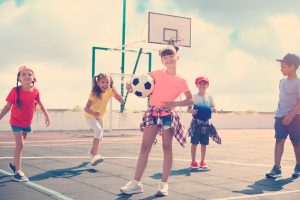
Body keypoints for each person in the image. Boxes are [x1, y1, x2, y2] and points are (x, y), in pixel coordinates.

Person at [120, 45, 193, 196]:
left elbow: (190, 100)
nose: (168, 59)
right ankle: (136, 183)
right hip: (153, 112)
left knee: (167, 147)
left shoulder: (182, 81)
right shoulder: (155, 74)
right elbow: (137, 81)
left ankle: (164, 184)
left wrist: (175, 104)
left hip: (167, 115)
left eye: (170, 56)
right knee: (145, 147)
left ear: (177, 57)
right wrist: (130, 85)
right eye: (164, 57)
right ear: (161, 60)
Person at [0, 66, 50, 182]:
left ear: (33, 78)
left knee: (21, 146)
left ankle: (13, 164)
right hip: (16, 122)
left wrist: (47, 115)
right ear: (19, 79)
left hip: (27, 123)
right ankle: (18, 172)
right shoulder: (15, 90)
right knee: (20, 145)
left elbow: (40, 103)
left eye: (29, 74)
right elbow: (7, 106)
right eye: (23, 74)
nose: (27, 76)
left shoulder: (35, 91)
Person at [266, 53, 300, 179]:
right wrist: (281, 116)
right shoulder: (281, 81)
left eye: (283, 66)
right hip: (280, 116)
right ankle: (276, 168)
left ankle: (298, 165)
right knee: (279, 140)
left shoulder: (298, 83)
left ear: (292, 67)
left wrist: (290, 117)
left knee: (296, 142)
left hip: (295, 118)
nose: (281, 68)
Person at [84, 73, 125, 166]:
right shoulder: (94, 94)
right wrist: (94, 113)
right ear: (98, 83)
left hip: (99, 117)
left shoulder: (110, 90)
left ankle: (92, 151)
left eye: (107, 82)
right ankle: (95, 155)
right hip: (90, 115)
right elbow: (86, 108)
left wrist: (122, 100)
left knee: (100, 136)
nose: (105, 84)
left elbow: (118, 97)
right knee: (98, 131)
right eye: (102, 82)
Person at [188, 76, 217, 169]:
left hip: (206, 122)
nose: (203, 85)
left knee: (204, 143)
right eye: (200, 83)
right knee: (194, 142)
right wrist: (191, 111)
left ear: (207, 85)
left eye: (205, 83)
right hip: (196, 122)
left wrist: (214, 109)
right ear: (197, 85)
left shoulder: (210, 97)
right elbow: (188, 109)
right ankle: (193, 161)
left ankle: (202, 161)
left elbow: (214, 107)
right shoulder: (194, 97)